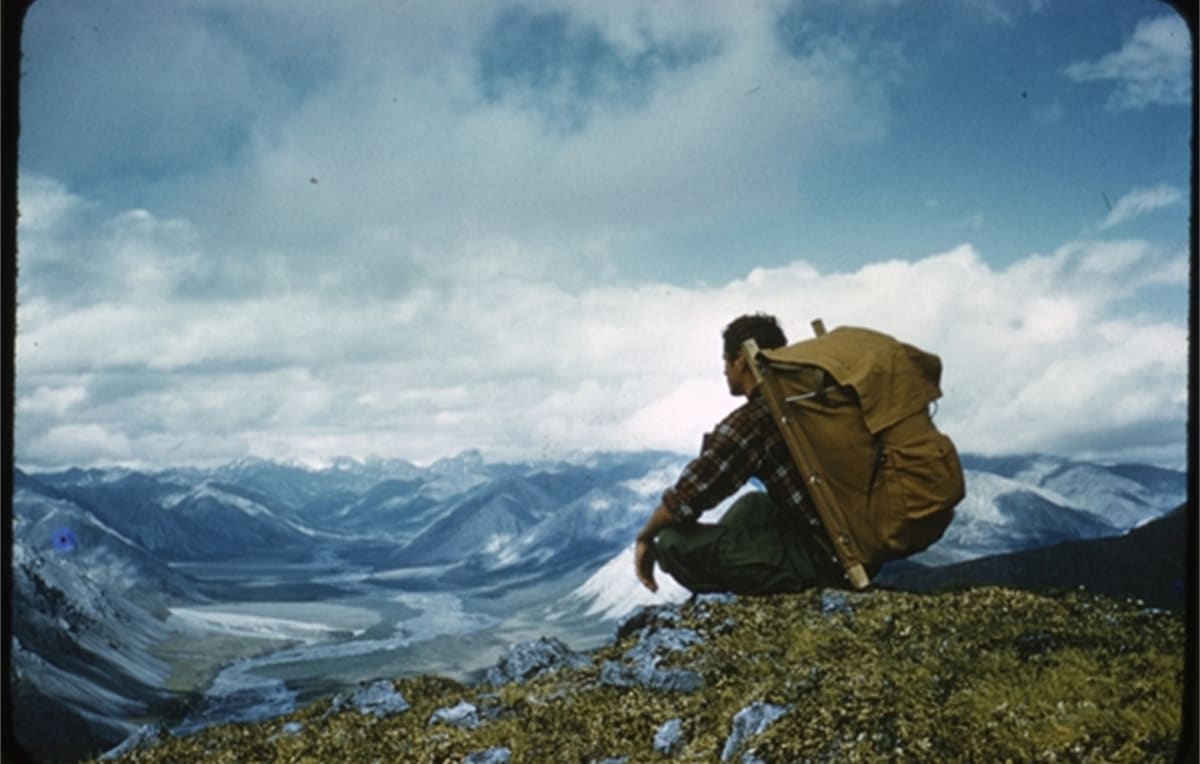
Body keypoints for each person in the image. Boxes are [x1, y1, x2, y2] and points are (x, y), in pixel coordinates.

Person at [633, 313, 845, 595]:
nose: (723, 371)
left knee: (671, 543)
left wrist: (645, 538)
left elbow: (683, 501)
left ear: (740, 360)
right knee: (753, 506)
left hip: (824, 557)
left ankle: (769, 586)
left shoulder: (752, 421)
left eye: (725, 360)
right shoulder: (804, 400)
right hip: (845, 535)